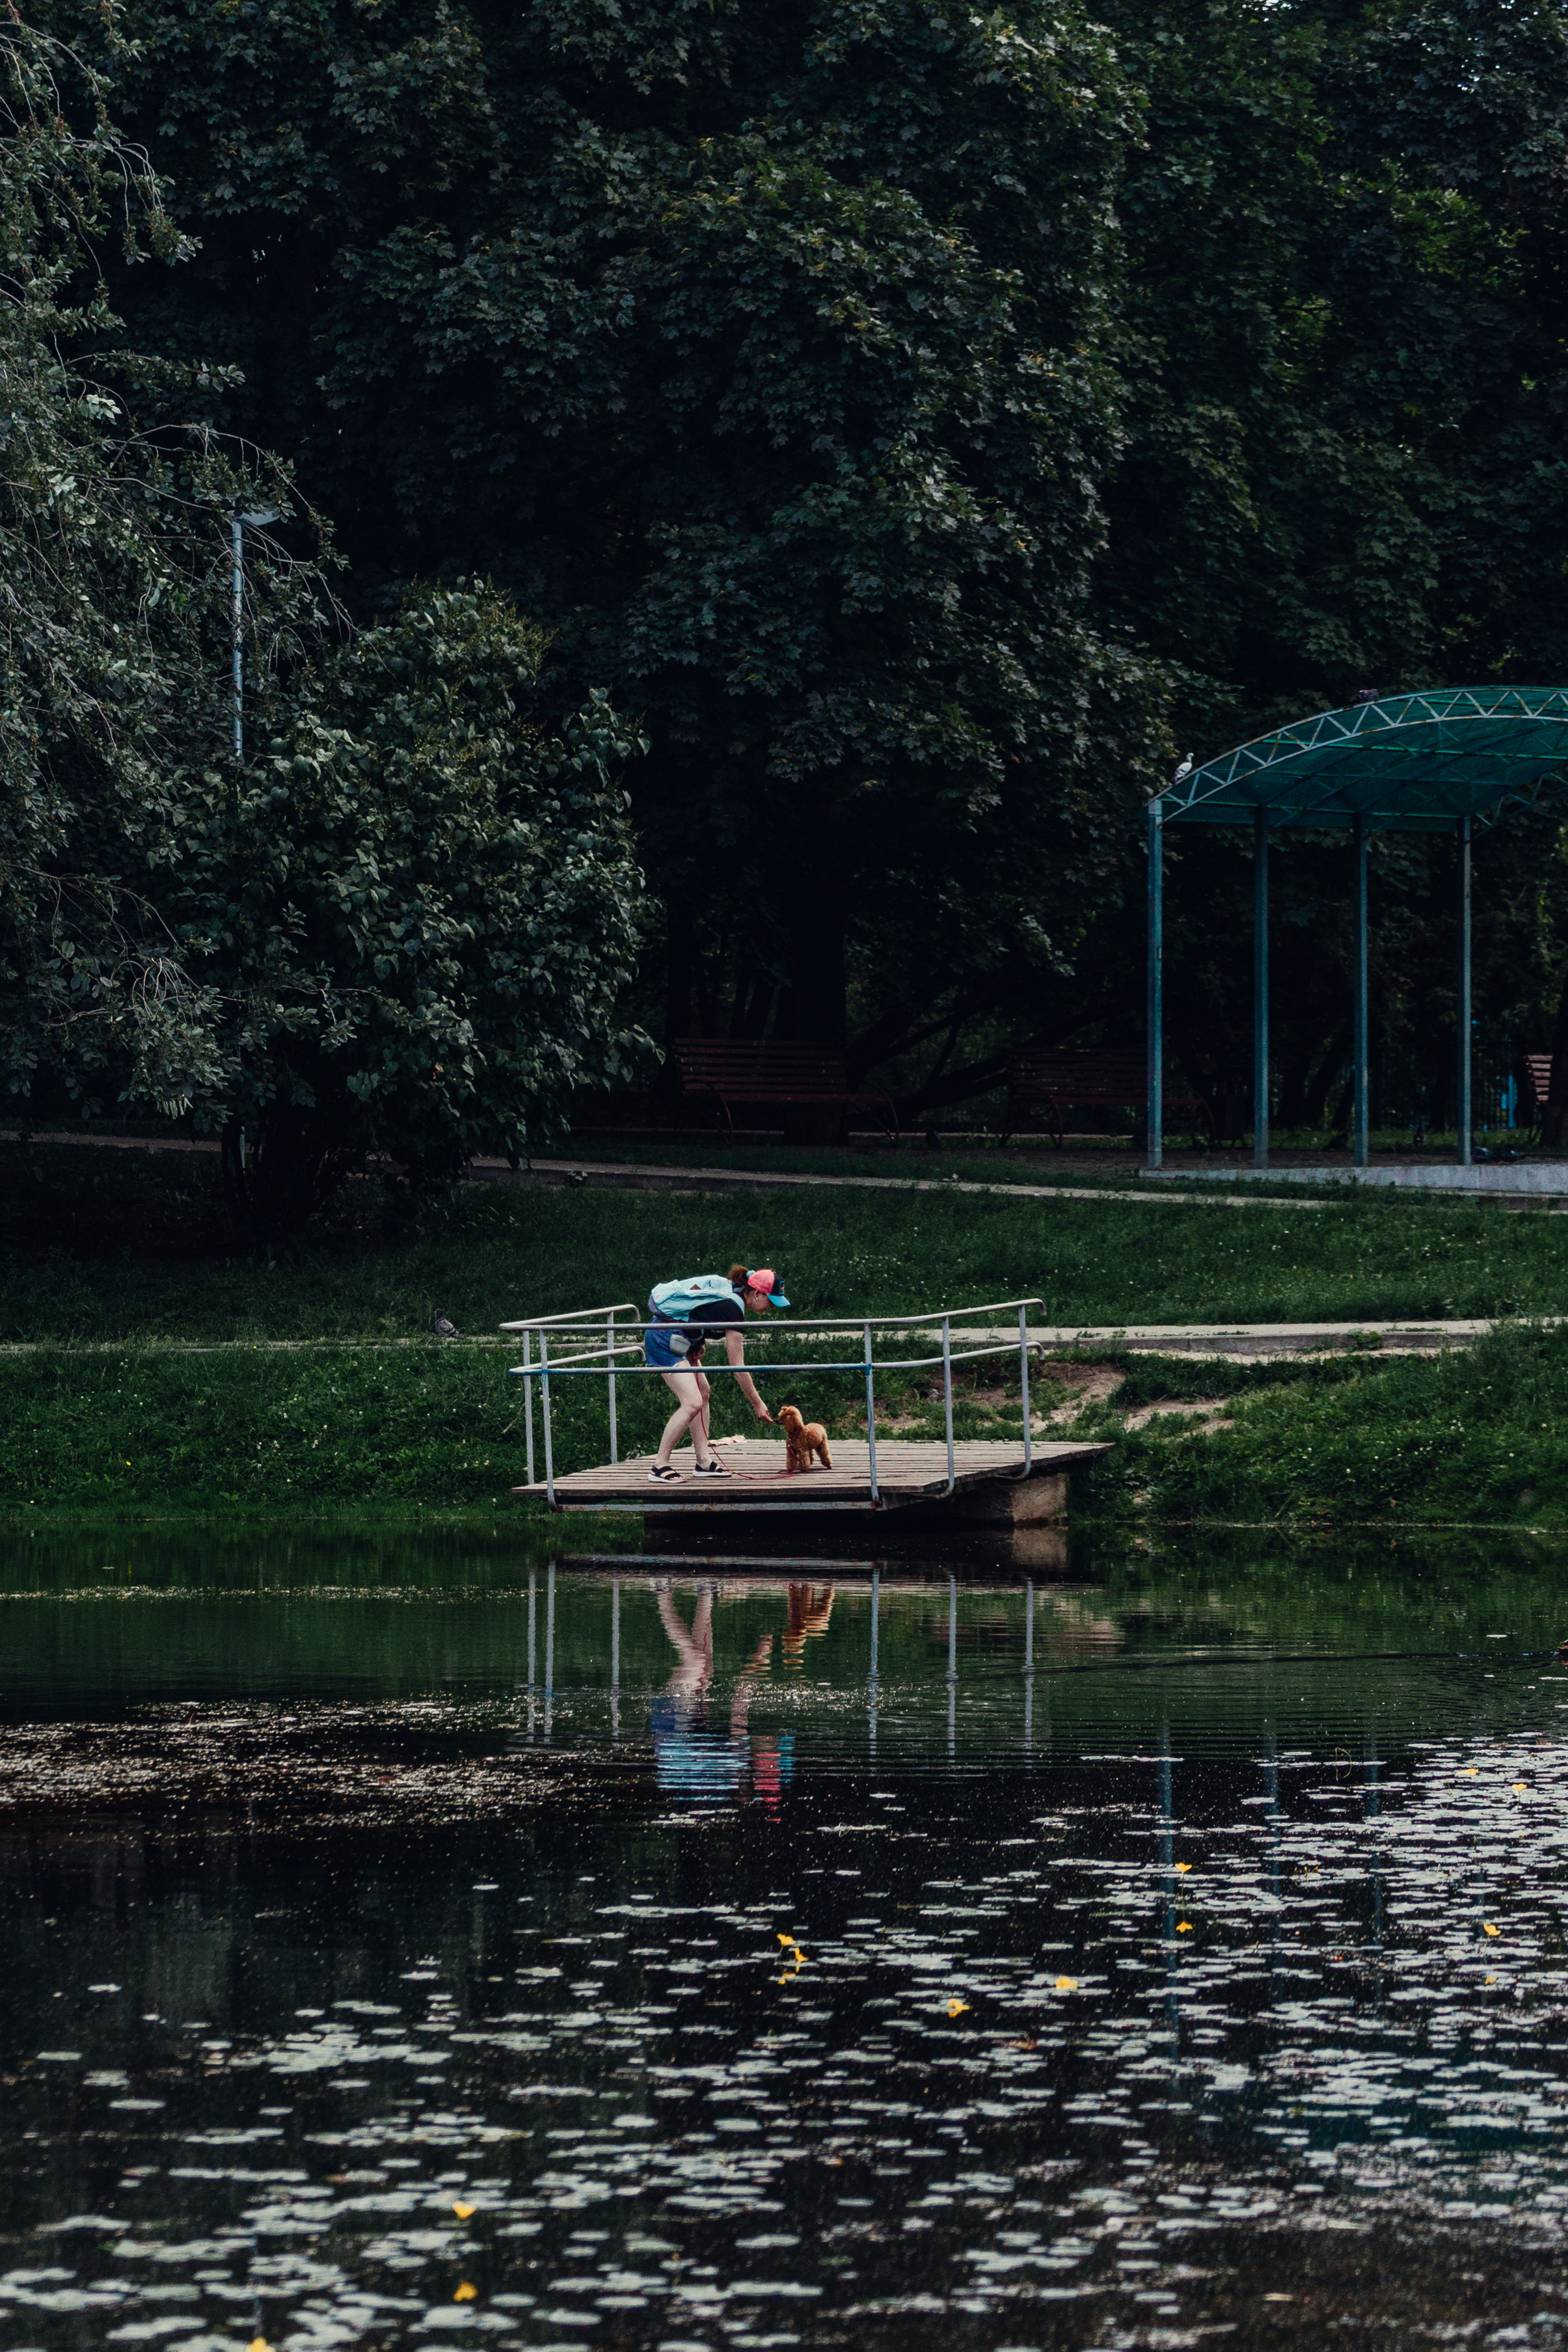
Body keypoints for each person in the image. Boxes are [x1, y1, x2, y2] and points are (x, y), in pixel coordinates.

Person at [644, 1264, 789, 1481]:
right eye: (771, 1301)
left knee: (703, 1392)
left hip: (680, 1339)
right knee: (692, 1402)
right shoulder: (734, 1309)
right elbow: (737, 1366)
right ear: (758, 1294)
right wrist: (757, 1403)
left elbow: (697, 1315)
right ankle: (659, 1466)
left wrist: (696, 1342)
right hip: (664, 1338)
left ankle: (703, 1462)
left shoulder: (733, 1293)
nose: (771, 1308)